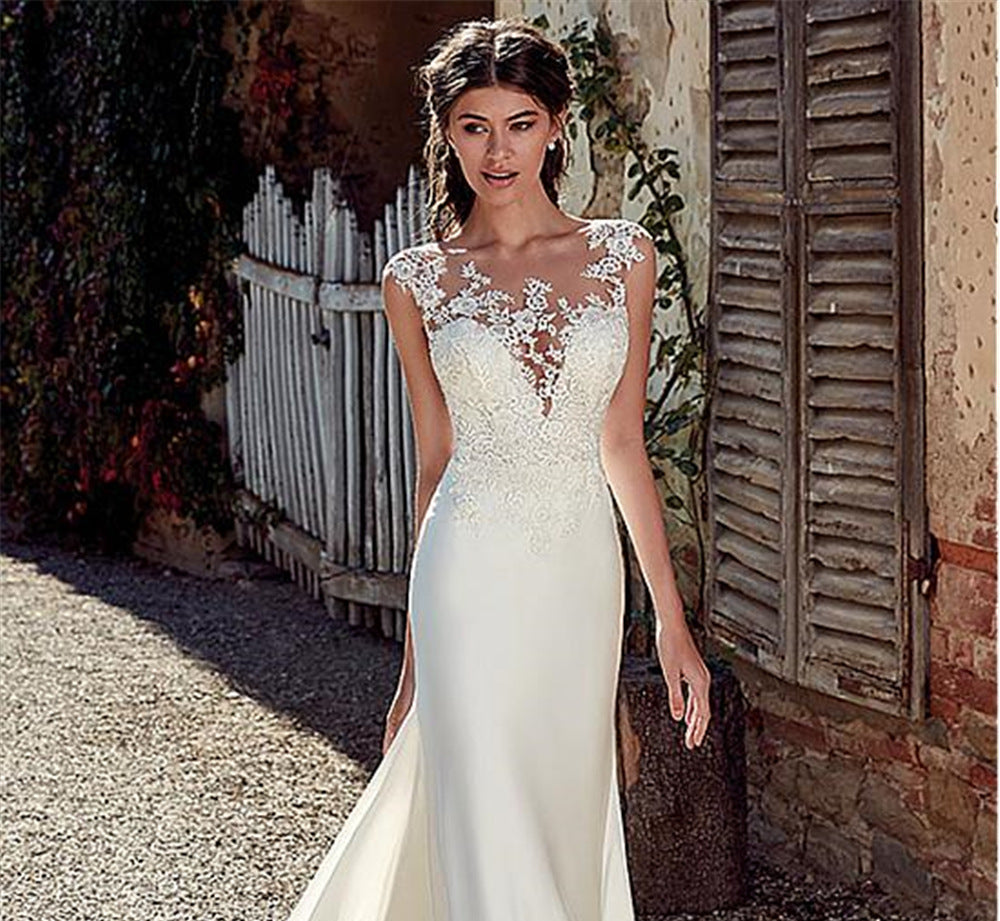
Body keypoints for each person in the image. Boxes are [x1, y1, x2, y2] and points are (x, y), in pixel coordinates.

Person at [285, 16, 711, 921]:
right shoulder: (419, 281)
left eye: (518, 122)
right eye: (474, 125)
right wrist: (413, 663)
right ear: (447, 133)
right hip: (468, 574)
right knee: (485, 812)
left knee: (560, 811)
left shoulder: (623, 257)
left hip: (577, 578)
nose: (498, 149)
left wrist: (671, 626)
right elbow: (434, 465)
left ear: (556, 124)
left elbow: (622, 444)